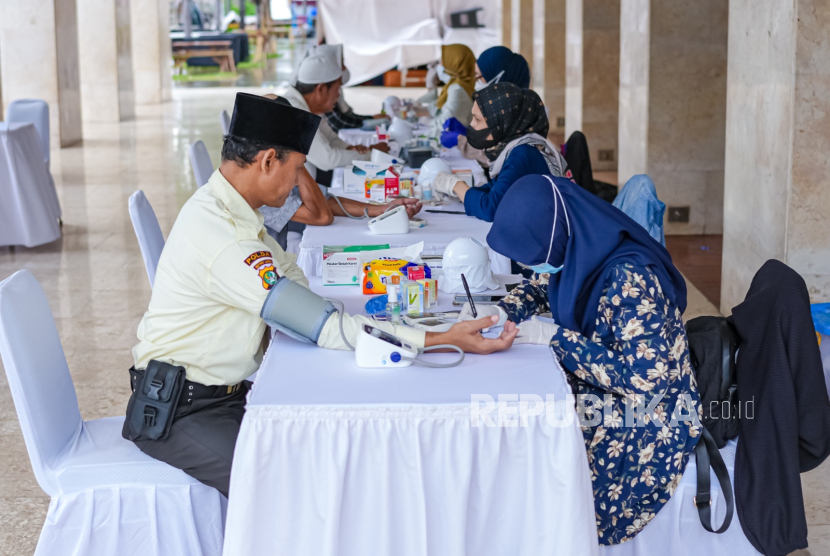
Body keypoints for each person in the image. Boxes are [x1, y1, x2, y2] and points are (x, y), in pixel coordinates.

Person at [122, 93, 518, 497]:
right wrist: (443, 338)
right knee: (284, 490)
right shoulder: (224, 237)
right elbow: (320, 325)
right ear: (268, 161)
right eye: (297, 170)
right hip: (177, 413)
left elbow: (294, 281)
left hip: (222, 395)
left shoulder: (231, 209)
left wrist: (325, 317)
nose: (298, 183)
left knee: (326, 451)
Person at [457, 174, 701, 544]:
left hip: (655, 413)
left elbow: (647, 382)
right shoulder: (580, 244)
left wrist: (554, 337)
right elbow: (541, 284)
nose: (538, 266)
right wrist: (501, 313)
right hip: (615, 384)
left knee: (541, 442)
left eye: (538, 256)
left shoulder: (629, 278)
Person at [281, 55, 420, 219]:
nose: (338, 96)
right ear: (320, 89)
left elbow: (332, 139)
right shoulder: (296, 112)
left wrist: (352, 148)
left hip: (309, 196)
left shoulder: (305, 107)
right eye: (337, 89)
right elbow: (328, 159)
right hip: (295, 204)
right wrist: (371, 155)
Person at [428, 83, 570, 222]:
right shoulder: (521, 144)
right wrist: (463, 194)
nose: (471, 125)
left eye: (477, 119)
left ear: (502, 123)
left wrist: (456, 185)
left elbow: (491, 209)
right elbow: (497, 188)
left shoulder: (522, 154)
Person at [419, 44, 476, 129]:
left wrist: (426, 122)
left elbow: (445, 125)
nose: (439, 66)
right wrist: (431, 85)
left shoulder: (457, 89)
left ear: (454, 63)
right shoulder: (456, 86)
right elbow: (437, 109)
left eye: (442, 61)